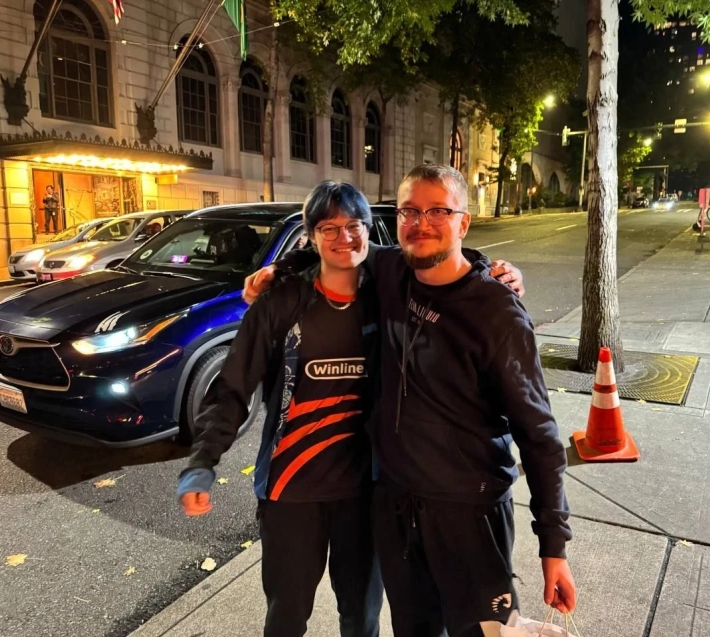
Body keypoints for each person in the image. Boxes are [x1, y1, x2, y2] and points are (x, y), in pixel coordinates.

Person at [245, 165, 575, 636]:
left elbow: (539, 434)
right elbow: (339, 246)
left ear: (463, 222)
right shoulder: (391, 272)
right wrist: (277, 270)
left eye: (438, 211)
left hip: (469, 513)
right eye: (409, 212)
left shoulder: (497, 312)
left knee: (480, 632)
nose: (421, 223)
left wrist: (553, 547)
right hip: (397, 507)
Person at [177, 181, 384, 637]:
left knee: (362, 618)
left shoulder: (387, 297)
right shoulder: (281, 302)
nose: (344, 237)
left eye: (354, 225)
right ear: (311, 235)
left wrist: (490, 268)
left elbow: (439, 264)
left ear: (369, 230)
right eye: (329, 228)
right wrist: (202, 462)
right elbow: (233, 385)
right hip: (291, 492)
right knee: (286, 618)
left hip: (365, 496)